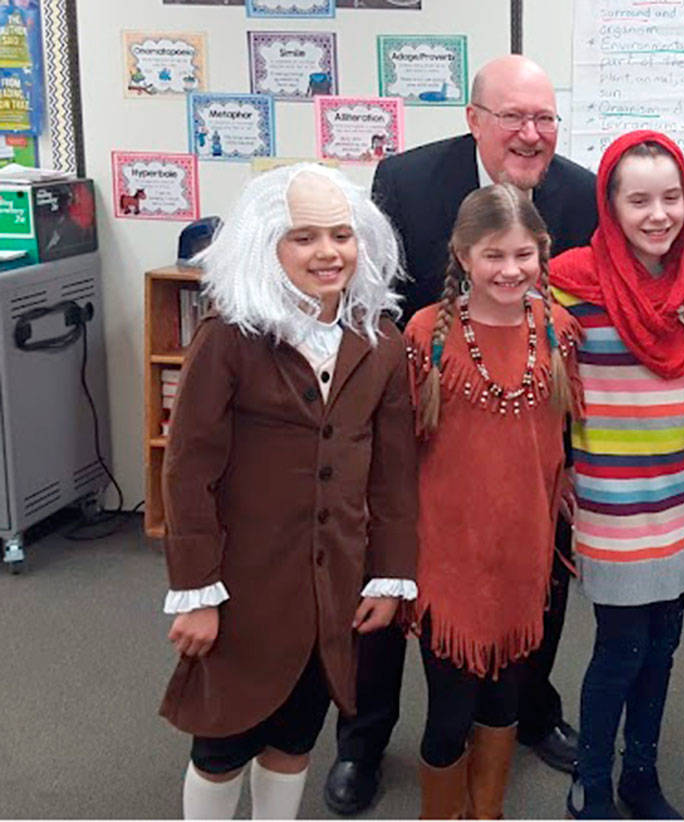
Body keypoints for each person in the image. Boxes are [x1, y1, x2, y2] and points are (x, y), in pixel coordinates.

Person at [325, 55, 597, 814]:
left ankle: (531, 711)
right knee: (393, 591)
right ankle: (364, 740)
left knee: (532, 593)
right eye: (513, 117)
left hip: (526, 451)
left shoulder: (580, 193)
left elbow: (600, 307)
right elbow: (371, 305)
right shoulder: (407, 182)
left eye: (544, 118)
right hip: (428, 434)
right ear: (475, 119)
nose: (531, 134)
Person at [159, 164, 418, 820]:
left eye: (341, 235)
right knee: (222, 743)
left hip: (333, 586)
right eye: (304, 238)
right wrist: (197, 591)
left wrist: (388, 575)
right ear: (266, 245)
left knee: (295, 737)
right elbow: (187, 470)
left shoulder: (380, 342)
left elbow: (393, 474)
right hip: (242, 584)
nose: (327, 252)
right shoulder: (230, 337)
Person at [549, 130, 684, 819]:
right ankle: (592, 783)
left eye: (671, 197)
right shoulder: (570, 287)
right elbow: (531, 373)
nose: (659, 214)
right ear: (610, 205)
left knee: (664, 646)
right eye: (638, 200)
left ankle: (639, 776)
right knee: (620, 649)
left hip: (678, 498)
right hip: (609, 502)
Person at [403, 183, 582, 819]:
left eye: (523, 254)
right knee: (449, 714)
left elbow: (559, 435)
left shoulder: (558, 331)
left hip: (522, 558)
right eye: (493, 256)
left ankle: (487, 811)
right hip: (449, 559)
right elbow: (399, 449)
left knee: (505, 701)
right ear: (462, 255)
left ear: (543, 252)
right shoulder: (427, 334)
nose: (510, 270)